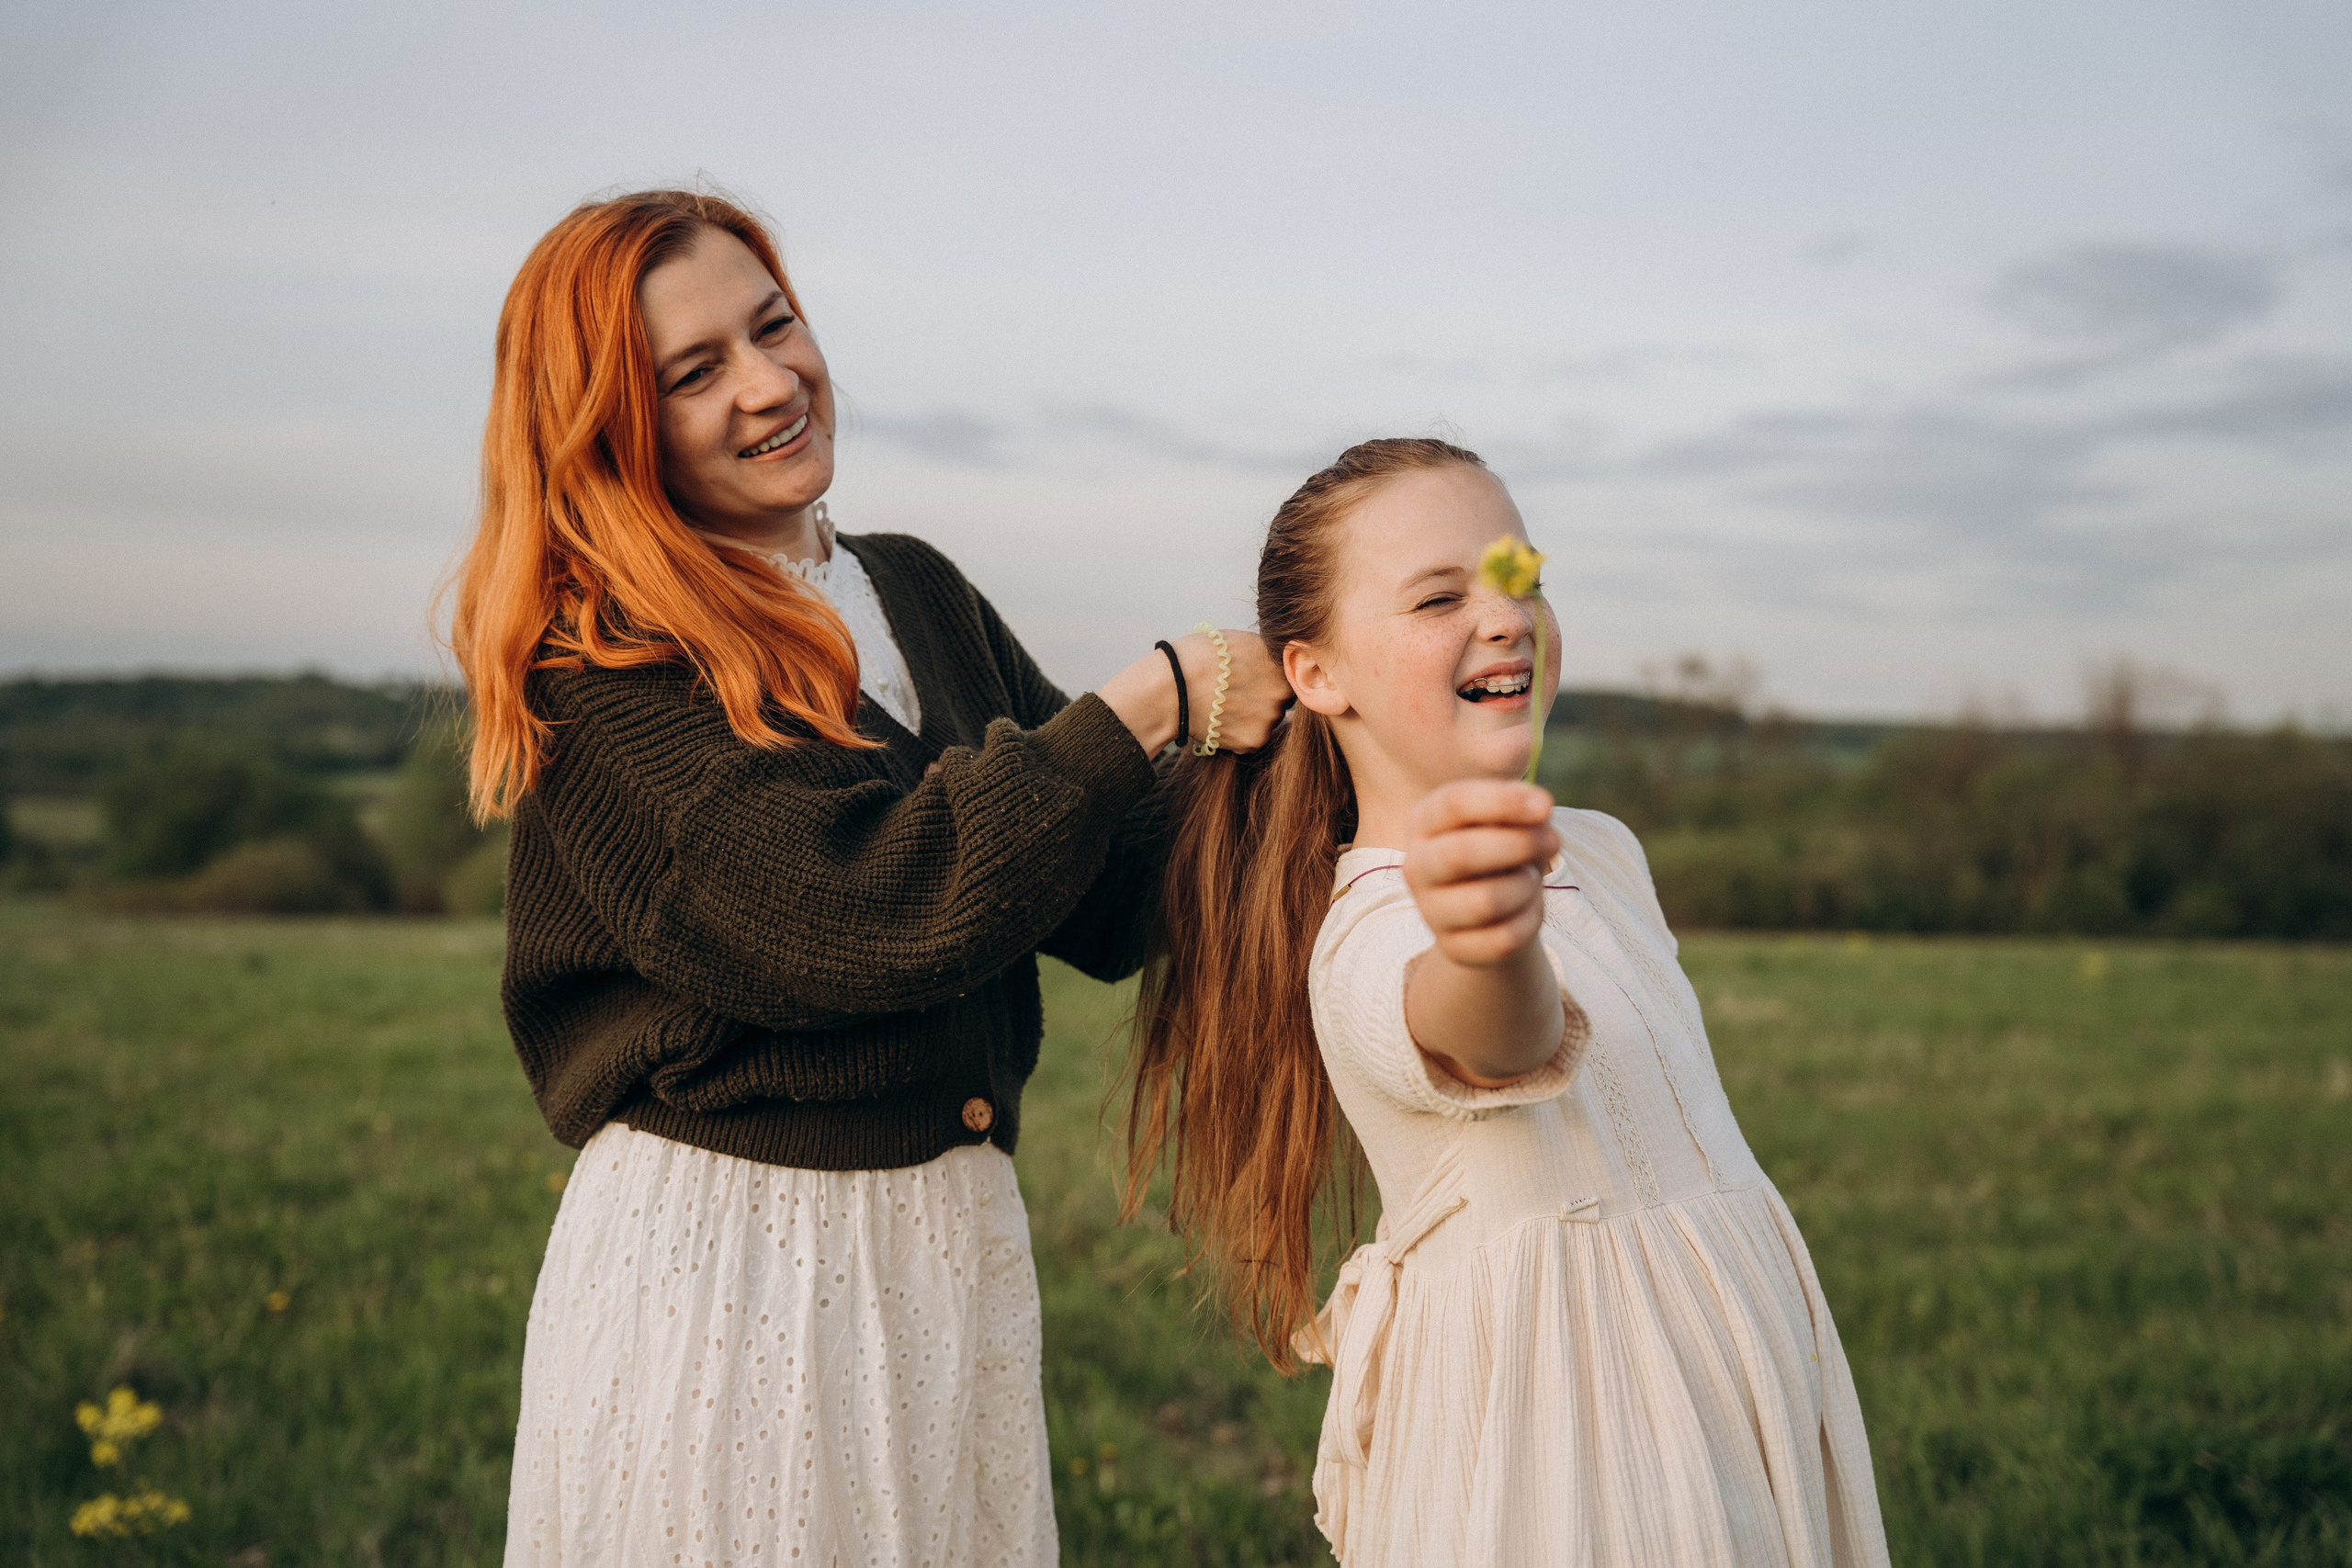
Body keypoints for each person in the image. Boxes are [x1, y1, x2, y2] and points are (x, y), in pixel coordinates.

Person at [448, 187, 1290, 1567]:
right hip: (739, 1276)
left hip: (945, 1250)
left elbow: (1107, 893)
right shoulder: (606, 670)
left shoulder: (914, 585)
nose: (774, 382)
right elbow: (861, 913)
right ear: (612, 425)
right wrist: (1152, 698)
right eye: (696, 371)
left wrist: (1311, 738)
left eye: (775, 325)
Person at [1125, 437, 1889, 1566]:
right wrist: (1489, 941)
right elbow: (1491, 1037)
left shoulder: (1603, 851)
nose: (1503, 615)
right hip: (1563, 1461)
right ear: (1318, 675)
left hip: (1730, 1389)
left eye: (1516, 575)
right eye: (1439, 597)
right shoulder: (1371, 930)